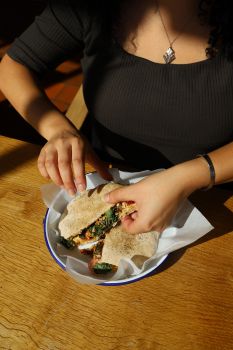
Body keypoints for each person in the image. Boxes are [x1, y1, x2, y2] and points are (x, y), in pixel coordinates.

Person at [0, 0, 232, 234]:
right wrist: (58, 129)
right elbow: (14, 66)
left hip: (213, 199)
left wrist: (187, 178)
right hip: (106, 182)